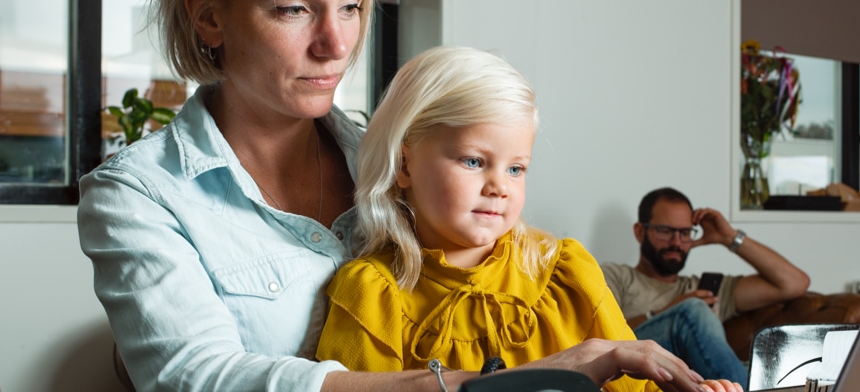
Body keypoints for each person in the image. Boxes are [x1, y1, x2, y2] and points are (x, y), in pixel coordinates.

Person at [75, 0, 728, 390]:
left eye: (353, 5)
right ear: (208, 14)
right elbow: (196, 379)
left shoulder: (410, 155)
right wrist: (510, 381)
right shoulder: (139, 194)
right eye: (293, 8)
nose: (335, 44)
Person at [314, 46, 740, 392]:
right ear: (404, 163)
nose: (500, 185)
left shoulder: (566, 270)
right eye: (474, 160)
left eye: (516, 168)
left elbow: (637, 387)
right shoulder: (370, 294)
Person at [601, 187, 811, 386]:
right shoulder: (616, 276)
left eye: (685, 233)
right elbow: (602, 341)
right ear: (640, 232)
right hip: (630, 370)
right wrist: (672, 310)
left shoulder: (706, 288)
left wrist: (729, 238)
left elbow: (793, 283)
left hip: (698, 381)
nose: (677, 242)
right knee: (691, 311)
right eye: (666, 231)